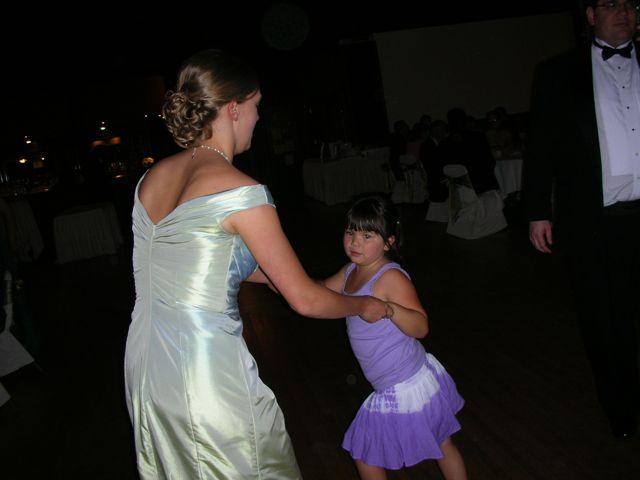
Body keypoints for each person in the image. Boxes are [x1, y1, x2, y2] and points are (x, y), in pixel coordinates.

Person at [124, 49, 392, 480]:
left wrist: (294, 280)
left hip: (145, 362)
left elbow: (200, 262)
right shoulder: (241, 191)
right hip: (204, 367)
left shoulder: (150, 180)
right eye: (255, 108)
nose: (257, 119)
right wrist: (362, 306)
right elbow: (303, 301)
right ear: (233, 108)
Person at [524, 1, 640, 440]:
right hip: (593, 220)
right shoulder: (557, 72)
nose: (622, 11)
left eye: (630, 3)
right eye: (611, 3)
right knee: (604, 322)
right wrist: (537, 209)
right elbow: (541, 147)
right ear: (590, 15)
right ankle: (621, 408)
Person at [319, 196, 467, 480]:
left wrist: (389, 309)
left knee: (366, 454)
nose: (354, 242)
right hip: (401, 379)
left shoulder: (390, 278)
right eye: (350, 231)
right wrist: (279, 280)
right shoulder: (350, 272)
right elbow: (319, 293)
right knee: (441, 443)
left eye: (367, 235)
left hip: (405, 384)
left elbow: (421, 327)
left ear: (388, 242)